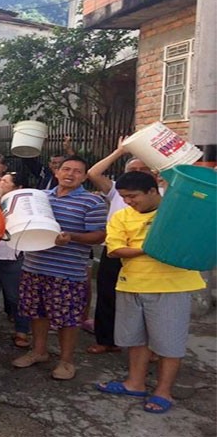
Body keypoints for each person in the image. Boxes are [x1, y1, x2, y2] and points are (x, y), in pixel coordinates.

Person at [95, 172, 205, 414]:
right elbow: (115, 249)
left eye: (133, 196)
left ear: (153, 192)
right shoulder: (121, 216)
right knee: (135, 340)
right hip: (130, 285)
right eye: (124, 197)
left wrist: (141, 247)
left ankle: (163, 391)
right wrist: (152, 247)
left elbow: (193, 239)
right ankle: (134, 383)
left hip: (171, 287)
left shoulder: (177, 214)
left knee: (169, 344)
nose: (128, 202)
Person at [12, 156, 107, 380]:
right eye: (66, 169)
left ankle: (66, 361)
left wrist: (71, 236)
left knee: (68, 319)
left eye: (76, 171)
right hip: (34, 266)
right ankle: (39, 351)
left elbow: (99, 235)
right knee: (37, 313)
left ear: (84, 177)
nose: (70, 174)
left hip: (67, 271)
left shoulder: (92, 202)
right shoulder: (40, 197)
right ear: (56, 172)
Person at [86, 137, 156, 355]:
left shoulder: (160, 193)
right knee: (107, 295)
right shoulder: (117, 190)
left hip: (149, 254)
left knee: (150, 302)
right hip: (115, 248)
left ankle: (153, 347)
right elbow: (93, 174)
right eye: (133, 169)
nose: (139, 172)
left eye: (144, 169)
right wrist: (119, 152)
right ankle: (106, 340)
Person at [0, 172, 31, 347]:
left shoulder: (23, 206)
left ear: (18, 188)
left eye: (4, 181)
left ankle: (22, 330)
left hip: (12, 256)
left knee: (15, 296)